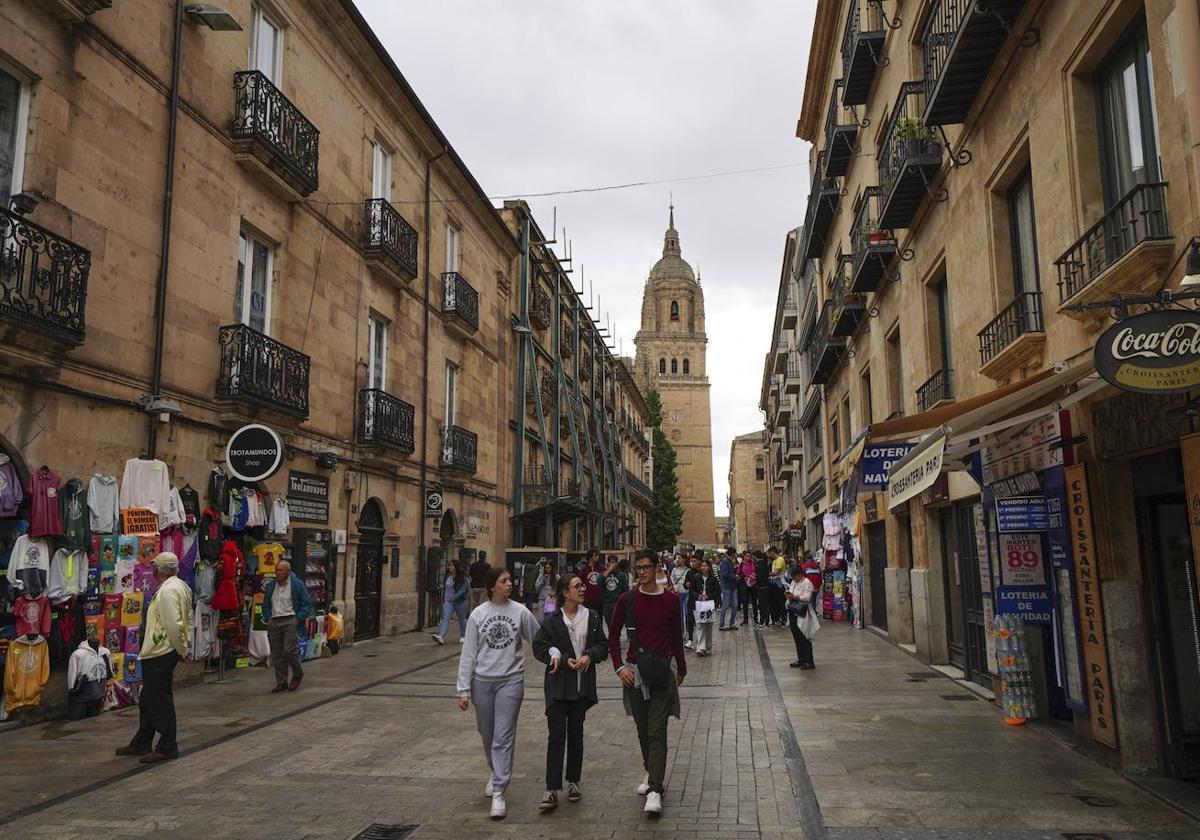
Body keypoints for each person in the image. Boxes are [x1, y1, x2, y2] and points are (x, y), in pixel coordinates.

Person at [457, 565, 540, 820]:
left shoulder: (521, 612)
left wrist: (556, 653)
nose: (509, 584)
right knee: (487, 733)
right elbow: (468, 653)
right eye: (504, 581)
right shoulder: (478, 615)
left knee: (503, 736)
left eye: (509, 580)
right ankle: (495, 772)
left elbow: (539, 639)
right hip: (482, 681)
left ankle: (499, 791)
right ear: (492, 586)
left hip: (511, 681)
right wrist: (463, 688)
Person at [609, 548, 687, 816]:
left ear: (656, 569)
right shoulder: (627, 600)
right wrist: (619, 667)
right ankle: (651, 770)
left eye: (645, 567)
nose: (641, 572)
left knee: (657, 730)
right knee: (643, 730)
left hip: (662, 672)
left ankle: (655, 788)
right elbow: (613, 636)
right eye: (637, 568)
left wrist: (682, 667)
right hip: (634, 672)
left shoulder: (670, 601)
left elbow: (677, 635)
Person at [532, 574, 609, 811]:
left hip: (580, 688)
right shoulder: (553, 620)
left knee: (576, 735)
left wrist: (590, 655)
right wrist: (562, 660)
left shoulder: (592, 617)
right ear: (566, 592)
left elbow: (602, 646)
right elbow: (539, 647)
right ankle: (552, 787)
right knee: (556, 737)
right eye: (578, 586)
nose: (583, 589)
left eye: (582, 585)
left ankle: (574, 781)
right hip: (558, 687)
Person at [115, 552, 191, 763]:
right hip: (159, 650)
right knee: (148, 698)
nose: (153, 569)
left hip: (160, 651)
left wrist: (182, 648)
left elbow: (174, 624)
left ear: (160, 569)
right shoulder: (180, 586)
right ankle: (142, 741)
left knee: (159, 699)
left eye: (155, 566)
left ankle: (167, 746)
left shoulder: (168, 591)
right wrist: (185, 644)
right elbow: (188, 619)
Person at [262, 559, 314, 692]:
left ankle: (297, 674)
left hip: (290, 619)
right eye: (276, 570)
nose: (277, 573)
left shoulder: (296, 585)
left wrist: (298, 619)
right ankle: (281, 681)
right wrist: (267, 616)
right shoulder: (271, 586)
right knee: (277, 654)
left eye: (280, 571)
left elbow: (306, 603)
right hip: (274, 620)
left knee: (289, 650)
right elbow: (266, 602)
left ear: (288, 572)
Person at [785, 562, 818, 669]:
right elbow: (791, 590)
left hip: (803, 612)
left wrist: (796, 597)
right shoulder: (794, 582)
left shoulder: (807, 583)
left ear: (800, 574)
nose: (794, 578)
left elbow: (807, 597)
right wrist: (788, 594)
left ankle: (809, 661)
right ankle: (801, 659)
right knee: (796, 637)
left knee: (804, 636)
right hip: (793, 610)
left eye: (795, 576)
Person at [432, 559, 470, 645]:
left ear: (456, 566)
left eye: (451, 565)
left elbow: (463, 590)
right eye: (449, 565)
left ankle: (463, 635)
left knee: (461, 619)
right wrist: (445, 599)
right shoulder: (447, 576)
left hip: (461, 601)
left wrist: (454, 597)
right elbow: (446, 588)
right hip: (448, 602)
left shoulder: (462, 577)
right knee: (446, 618)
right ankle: (441, 636)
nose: (450, 567)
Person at [688, 559, 721, 656]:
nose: (704, 568)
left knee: (708, 625)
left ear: (709, 567)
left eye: (705, 566)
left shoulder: (713, 579)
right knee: (700, 625)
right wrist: (698, 596)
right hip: (698, 604)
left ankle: (708, 646)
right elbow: (692, 590)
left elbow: (717, 591)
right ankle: (701, 647)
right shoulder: (696, 577)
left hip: (709, 605)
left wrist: (709, 596)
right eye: (702, 566)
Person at [599, 554, 628, 633]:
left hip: (616, 602)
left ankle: (615, 639)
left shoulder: (621, 575)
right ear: (608, 563)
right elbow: (599, 583)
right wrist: (608, 571)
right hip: (606, 603)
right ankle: (612, 640)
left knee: (616, 624)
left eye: (614, 562)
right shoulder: (603, 574)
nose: (613, 564)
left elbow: (625, 590)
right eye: (611, 562)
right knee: (609, 624)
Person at [668, 554, 691, 648]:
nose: (677, 560)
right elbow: (671, 580)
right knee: (679, 614)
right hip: (677, 594)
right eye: (676, 558)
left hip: (686, 594)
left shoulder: (688, 570)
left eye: (680, 558)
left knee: (685, 614)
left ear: (684, 560)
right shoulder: (674, 570)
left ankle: (685, 633)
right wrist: (674, 587)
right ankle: (679, 632)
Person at [717, 548, 739, 631]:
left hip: (733, 587)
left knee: (735, 605)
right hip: (727, 587)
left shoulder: (731, 561)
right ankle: (721, 624)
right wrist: (734, 576)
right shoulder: (726, 561)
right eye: (735, 553)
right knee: (725, 606)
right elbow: (724, 574)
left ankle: (732, 623)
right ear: (733, 553)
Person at [580, 549, 604, 614]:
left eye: (598, 555)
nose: (597, 557)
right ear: (590, 557)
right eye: (595, 555)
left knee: (599, 620)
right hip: (588, 600)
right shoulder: (583, 570)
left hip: (600, 600)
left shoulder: (601, 568)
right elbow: (580, 583)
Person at [768, 547, 787, 625]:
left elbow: (776, 572)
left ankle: (784, 619)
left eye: (769, 554)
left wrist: (766, 574)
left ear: (772, 552)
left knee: (781, 602)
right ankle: (778, 618)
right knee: (775, 602)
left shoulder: (780, 560)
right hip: (774, 583)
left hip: (780, 584)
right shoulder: (775, 560)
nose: (769, 555)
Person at [753, 551, 773, 630]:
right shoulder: (764, 564)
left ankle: (764, 622)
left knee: (763, 605)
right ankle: (764, 621)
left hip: (762, 587)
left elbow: (761, 578)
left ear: (755, 557)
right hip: (765, 587)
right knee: (764, 605)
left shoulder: (758, 565)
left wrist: (755, 577)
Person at [738, 551, 756, 626]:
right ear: (744, 557)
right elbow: (739, 572)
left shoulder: (753, 564)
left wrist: (752, 576)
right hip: (745, 585)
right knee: (745, 602)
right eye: (747, 556)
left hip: (753, 584)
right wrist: (744, 577)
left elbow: (756, 572)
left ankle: (756, 619)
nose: (748, 557)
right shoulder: (742, 564)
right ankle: (745, 619)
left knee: (754, 601)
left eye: (749, 556)